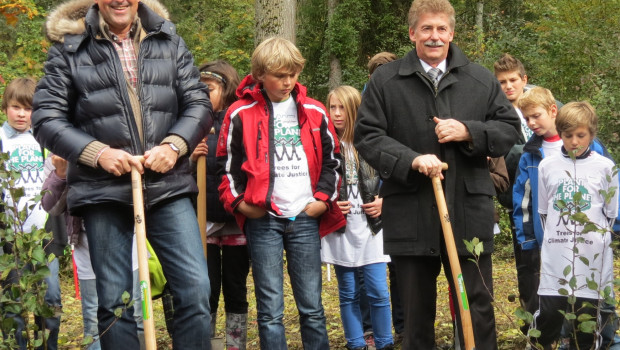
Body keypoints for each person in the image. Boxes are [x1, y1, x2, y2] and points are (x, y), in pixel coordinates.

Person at [31, 0, 213, 348]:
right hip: (103, 191)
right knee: (115, 302)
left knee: (195, 289)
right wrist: (97, 153)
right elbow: (46, 118)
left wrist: (174, 145)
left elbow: (198, 103)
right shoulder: (69, 49)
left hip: (166, 185)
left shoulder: (168, 40)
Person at [353, 0, 521, 348]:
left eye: (441, 28)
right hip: (410, 212)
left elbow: (508, 129)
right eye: (426, 29)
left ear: (452, 32)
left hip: (467, 211)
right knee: (415, 313)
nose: (434, 36)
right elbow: (367, 137)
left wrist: (468, 131)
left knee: (475, 305)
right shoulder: (386, 81)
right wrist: (411, 160)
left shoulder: (479, 79)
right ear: (412, 32)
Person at [217, 37, 345, 350]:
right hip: (264, 219)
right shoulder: (240, 113)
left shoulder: (315, 111)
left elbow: (334, 161)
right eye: (279, 75)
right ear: (261, 74)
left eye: (293, 74)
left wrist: (322, 200)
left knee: (312, 307)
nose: (288, 82)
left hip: (305, 216)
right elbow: (226, 167)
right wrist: (241, 204)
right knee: (270, 309)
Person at [533, 101, 619, 349]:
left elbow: (610, 215)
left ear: (591, 134)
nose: (574, 141)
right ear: (560, 133)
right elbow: (544, 212)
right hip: (556, 256)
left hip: (592, 257)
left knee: (588, 317)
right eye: (568, 135)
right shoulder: (547, 166)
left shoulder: (605, 168)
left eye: (580, 135)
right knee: (549, 314)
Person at [40, 154, 145, 350]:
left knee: (135, 313)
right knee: (93, 319)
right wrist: (61, 173)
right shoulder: (59, 154)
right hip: (85, 243)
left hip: (126, 241)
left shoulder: (119, 142)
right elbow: (51, 206)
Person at [321, 85, 393, 350]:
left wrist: (385, 201)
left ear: (355, 110)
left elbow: (393, 175)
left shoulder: (372, 142)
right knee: (348, 292)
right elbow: (315, 183)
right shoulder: (324, 143)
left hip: (372, 226)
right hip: (341, 227)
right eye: (332, 107)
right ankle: (356, 344)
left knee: (378, 291)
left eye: (343, 108)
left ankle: (385, 343)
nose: (337, 114)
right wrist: (328, 204)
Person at [190, 60, 249, 349]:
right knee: (207, 288)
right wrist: (188, 156)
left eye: (209, 89)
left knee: (235, 288)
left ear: (225, 89)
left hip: (236, 218)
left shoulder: (240, 119)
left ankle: (235, 345)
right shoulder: (192, 123)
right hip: (205, 221)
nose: (202, 94)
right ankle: (208, 343)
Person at [0, 77, 62, 350]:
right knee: (13, 305)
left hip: (43, 237)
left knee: (51, 300)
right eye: (16, 107)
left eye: (29, 108)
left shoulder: (45, 139)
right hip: (9, 239)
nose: (22, 114)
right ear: (5, 108)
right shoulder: (1, 140)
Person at [361, 51, 405, 347]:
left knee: (402, 268)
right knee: (370, 268)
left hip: (399, 194)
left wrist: (387, 198)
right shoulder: (366, 107)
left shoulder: (405, 104)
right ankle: (373, 328)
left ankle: (404, 326)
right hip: (369, 196)